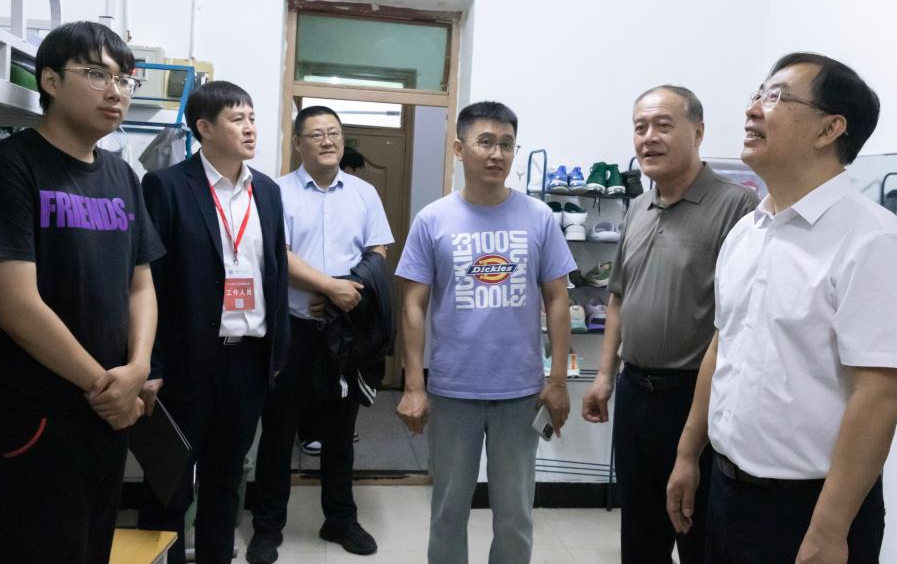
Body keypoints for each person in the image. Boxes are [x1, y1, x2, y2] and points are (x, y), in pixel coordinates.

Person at [667, 53, 897, 563]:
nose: (752, 110)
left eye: (776, 97)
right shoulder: (746, 233)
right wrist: (687, 454)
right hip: (725, 489)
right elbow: (723, 346)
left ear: (830, 129)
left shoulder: (875, 243)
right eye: (757, 94)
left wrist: (829, 530)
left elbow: (880, 394)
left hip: (807, 508)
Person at [0, 21, 164, 562]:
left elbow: (141, 283)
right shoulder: (8, 168)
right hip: (37, 415)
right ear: (50, 80)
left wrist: (138, 367)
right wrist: (108, 386)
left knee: (91, 550)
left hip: (108, 412)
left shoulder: (122, 176)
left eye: (124, 79)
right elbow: (16, 306)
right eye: (97, 74)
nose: (116, 91)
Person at [582, 85, 757, 563]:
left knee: (697, 534)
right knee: (639, 536)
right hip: (634, 392)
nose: (649, 138)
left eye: (663, 125)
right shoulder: (639, 207)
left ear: (698, 133)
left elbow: (739, 318)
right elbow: (618, 296)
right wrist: (604, 376)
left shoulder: (737, 208)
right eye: (640, 127)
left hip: (694, 398)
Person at [395, 101, 576, 564]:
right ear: (459, 149)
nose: (497, 154)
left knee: (515, 514)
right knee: (448, 510)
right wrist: (414, 385)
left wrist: (557, 381)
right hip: (453, 390)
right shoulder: (433, 220)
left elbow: (558, 300)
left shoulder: (538, 217)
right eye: (486, 142)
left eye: (507, 145)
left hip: (520, 391)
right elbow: (412, 305)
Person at [136, 81, 291, 564]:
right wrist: (150, 364)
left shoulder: (267, 191)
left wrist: (277, 355)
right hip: (185, 362)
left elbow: (276, 272)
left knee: (226, 482)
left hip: (248, 361)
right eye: (237, 119)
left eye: (252, 117)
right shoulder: (166, 186)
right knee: (169, 485)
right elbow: (148, 281)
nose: (250, 128)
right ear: (204, 127)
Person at [247, 106, 393, 562]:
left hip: (344, 332)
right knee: (278, 431)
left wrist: (342, 294)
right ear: (297, 143)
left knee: (340, 430)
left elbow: (378, 250)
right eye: (316, 134)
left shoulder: (365, 193)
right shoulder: (276, 192)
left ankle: (340, 519)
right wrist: (329, 289)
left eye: (334, 133)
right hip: (293, 330)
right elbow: (277, 253)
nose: (328, 141)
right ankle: (268, 527)